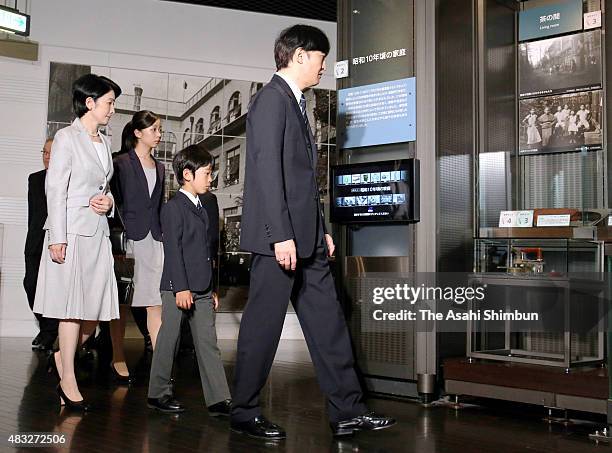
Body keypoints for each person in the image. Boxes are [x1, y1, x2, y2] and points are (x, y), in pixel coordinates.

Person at [231, 24, 395, 439]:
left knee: (329, 323)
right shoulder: (271, 100)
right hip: (280, 239)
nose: (325, 66)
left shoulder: (298, 103)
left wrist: (319, 229)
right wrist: (280, 234)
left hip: (308, 238)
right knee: (263, 327)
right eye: (321, 57)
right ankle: (244, 411)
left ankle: (349, 411)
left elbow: (303, 181)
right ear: (300, 55)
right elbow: (267, 173)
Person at [33, 73, 122, 410]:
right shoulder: (67, 138)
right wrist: (57, 237)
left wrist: (109, 203)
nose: (113, 109)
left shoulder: (104, 142)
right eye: (109, 102)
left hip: (97, 234)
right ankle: (67, 379)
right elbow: (55, 189)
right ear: (90, 103)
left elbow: (103, 187)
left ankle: (62, 356)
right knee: (70, 311)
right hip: (69, 234)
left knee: (95, 311)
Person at [147, 144, 231, 416]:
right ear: (187, 174)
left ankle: (219, 399)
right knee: (168, 341)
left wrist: (212, 288)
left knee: (208, 343)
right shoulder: (174, 209)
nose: (211, 178)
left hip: (203, 287)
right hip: (177, 287)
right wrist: (181, 288)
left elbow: (207, 251)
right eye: (207, 173)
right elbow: (173, 251)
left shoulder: (203, 207)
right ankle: (157, 395)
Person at [111, 111, 165, 359]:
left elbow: (159, 205)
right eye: (154, 129)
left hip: (155, 240)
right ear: (137, 133)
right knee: (122, 303)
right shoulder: (120, 163)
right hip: (129, 240)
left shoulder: (161, 168)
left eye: (160, 130)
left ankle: (160, 365)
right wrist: (118, 242)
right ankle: (117, 356)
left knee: (156, 302)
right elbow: (115, 203)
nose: (159, 135)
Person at [24, 138, 59, 351]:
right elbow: (32, 213)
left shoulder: (69, 179)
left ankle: (50, 332)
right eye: (44, 152)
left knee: (55, 289)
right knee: (31, 284)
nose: (47, 156)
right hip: (36, 241)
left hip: (58, 241)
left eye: (51, 153)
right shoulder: (34, 179)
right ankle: (47, 328)